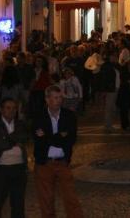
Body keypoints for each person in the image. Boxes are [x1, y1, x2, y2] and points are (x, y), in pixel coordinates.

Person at [32, 84, 83, 218]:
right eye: (55, 97)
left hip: (62, 162)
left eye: (60, 97)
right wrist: (60, 136)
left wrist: (48, 137)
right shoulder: (38, 116)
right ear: (47, 99)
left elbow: (71, 139)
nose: (59, 100)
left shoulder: (69, 116)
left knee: (71, 198)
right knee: (46, 200)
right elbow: (38, 140)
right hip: (44, 162)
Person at [0, 97, 29, 218]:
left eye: (14, 108)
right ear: (1, 109)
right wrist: (14, 140)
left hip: (19, 168)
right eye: (8, 108)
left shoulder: (20, 124)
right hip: (0, 168)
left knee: (18, 204)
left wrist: (6, 138)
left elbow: (24, 137)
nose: (11, 111)